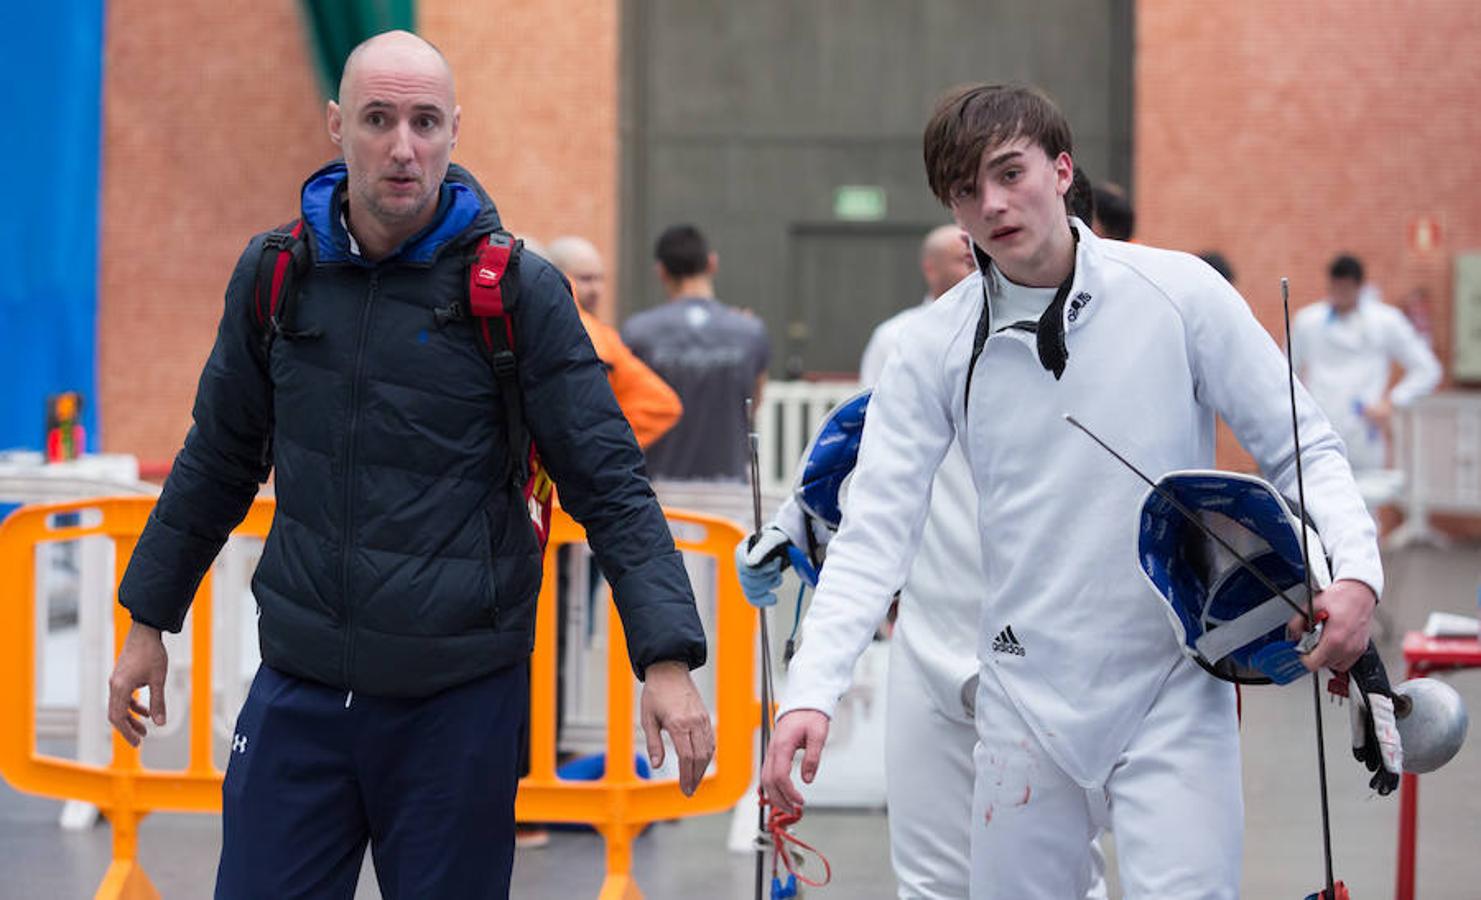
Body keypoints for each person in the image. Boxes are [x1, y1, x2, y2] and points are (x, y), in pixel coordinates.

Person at [104, 31, 713, 899]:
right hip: (299, 691)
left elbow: (608, 481)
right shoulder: (278, 277)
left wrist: (666, 662)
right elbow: (216, 458)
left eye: (425, 122)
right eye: (378, 119)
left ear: (454, 130)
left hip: (455, 707)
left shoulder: (518, 292)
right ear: (335, 125)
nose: (402, 147)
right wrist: (145, 621)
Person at [759, 83, 1382, 899]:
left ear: (1061, 169)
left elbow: (1305, 448)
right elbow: (875, 532)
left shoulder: (1180, 293)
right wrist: (810, 691)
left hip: (1171, 683)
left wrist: (1357, 573)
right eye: (965, 191)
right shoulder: (931, 346)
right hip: (1022, 697)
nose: (991, 204)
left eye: (1009, 172)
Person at [622, 224, 771, 481]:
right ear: (712, 263)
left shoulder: (637, 332)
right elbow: (755, 401)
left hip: (657, 491)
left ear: (661, 271)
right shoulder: (750, 332)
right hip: (728, 494)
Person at [1293, 253, 1441, 474]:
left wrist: (1392, 402)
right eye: (1336, 287)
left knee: (1365, 504)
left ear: (1359, 287)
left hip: (1363, 435)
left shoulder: (1385, 321)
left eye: (1347, 288)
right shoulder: (1307, 321)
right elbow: (1287, 374)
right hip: (1317, 433)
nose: (1341, 295)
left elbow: (1427, 369)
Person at [547, 235, 683, 448]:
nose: (596, 289)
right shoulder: (593, 334)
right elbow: (662, 405)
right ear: (558, 276)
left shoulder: (603, 335)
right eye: (585, 279)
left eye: (600, 279)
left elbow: (661, 405)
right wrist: (607, 446)